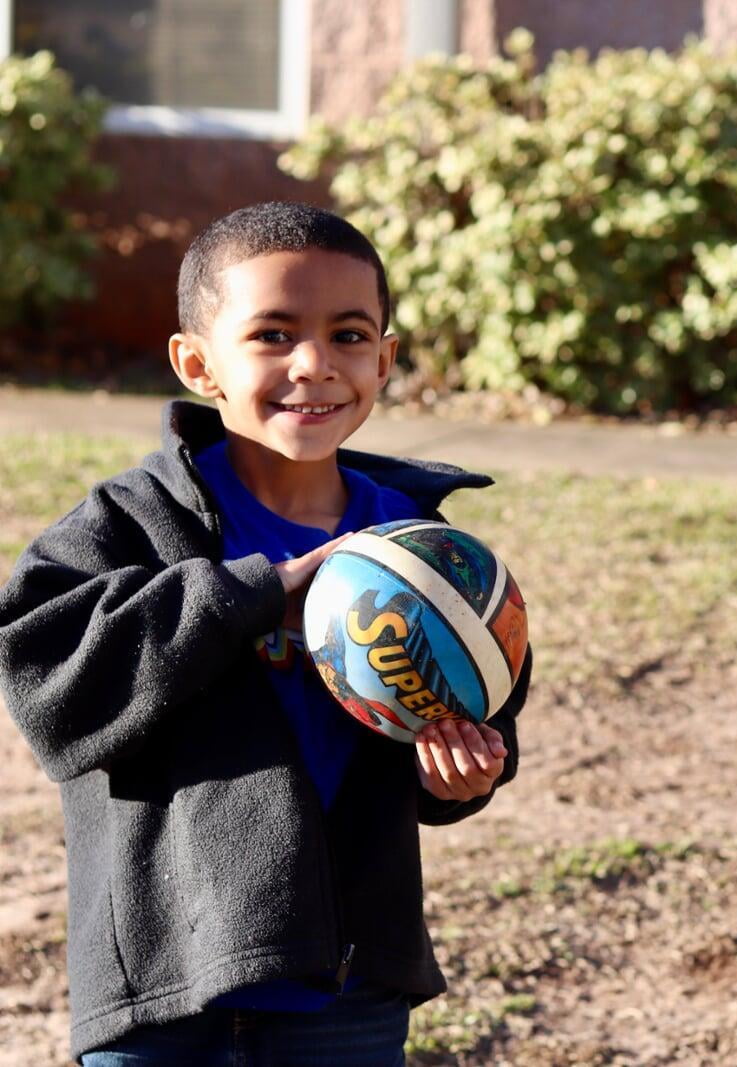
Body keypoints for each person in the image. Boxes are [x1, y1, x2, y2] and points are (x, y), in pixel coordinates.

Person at [0, 201, 526, 1065]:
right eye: (273, 335)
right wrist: (254, 595)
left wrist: (460, 774)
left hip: (349, 990)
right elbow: (46, 681)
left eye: (349, 335)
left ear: (385, 358)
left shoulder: (426, 552)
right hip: (167, 988)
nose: (313, 364)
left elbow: (485, 705)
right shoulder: (133, 520)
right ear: (197, 363)